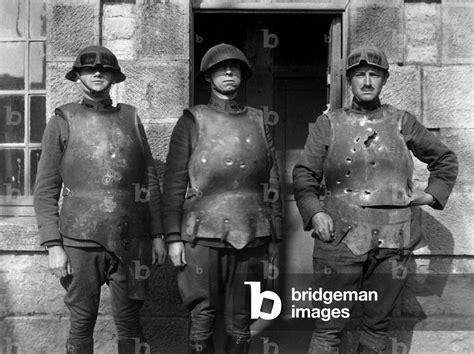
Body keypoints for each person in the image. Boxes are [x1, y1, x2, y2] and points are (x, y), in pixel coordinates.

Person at [293, 47, 458, 353]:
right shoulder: (328, 123)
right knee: (329, 326)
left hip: (392, 242)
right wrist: (315, 213)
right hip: (338, 240)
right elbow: (304, 174)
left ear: (384, 80)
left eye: (374, 75)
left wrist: (430, 194)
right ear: (350, 80)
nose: (367, 81)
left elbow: (445, 159)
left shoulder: (402, 122)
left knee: (377, 327)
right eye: (359, 75)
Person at [34, 45, 167, 354]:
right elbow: (45, 190)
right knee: (82, 322)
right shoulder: (62, 120)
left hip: (131, 237)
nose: (97, 73)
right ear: (78, 76)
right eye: (89, 69)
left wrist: (158, 233)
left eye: (104, 69)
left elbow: (149, 180)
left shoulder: (131, 118)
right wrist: (54, 245)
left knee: (131, 324)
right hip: (80, 240)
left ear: (113, 76)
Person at [162, 43, 282, 354]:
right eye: (221, 68)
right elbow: (174, 183)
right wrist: (173, 237)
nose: (229, 72)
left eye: (235, 68)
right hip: (202, 237)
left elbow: (272, 181)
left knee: (241, 320)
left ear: (243, 75)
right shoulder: (192, 120)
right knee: (202, 315)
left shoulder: (259, 120)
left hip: (253, 235)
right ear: (209, 77)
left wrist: (274, 236)